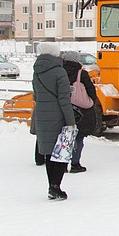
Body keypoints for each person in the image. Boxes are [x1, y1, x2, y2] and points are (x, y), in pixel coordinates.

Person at [32, 42, 76, 200]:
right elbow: (64, 100)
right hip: (58, 115)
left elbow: (36, 95)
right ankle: (56, 186)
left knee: (50, 153)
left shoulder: (36, 71)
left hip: (42, 115)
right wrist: (71, 122)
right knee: (61, 153)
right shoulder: (59, 72)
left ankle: (52, 185)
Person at [61, 50, 100, 173]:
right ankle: (75, 163)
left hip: (64, 108)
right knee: (78, 138)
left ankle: (62, 163)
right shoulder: (81, 74)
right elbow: (91, 91)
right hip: (81, 111)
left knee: (65, 138)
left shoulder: (60, 72)